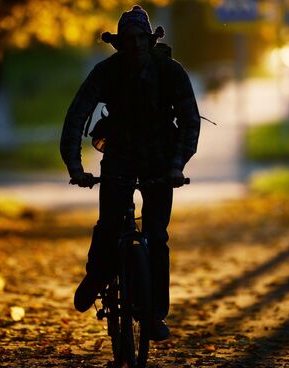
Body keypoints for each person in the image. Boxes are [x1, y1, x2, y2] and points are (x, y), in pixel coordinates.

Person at [60, 5, 200, 341]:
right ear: (119, 43)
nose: (135, 44)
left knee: (156, 236)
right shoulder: (105, 72)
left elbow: (190, 121)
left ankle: (153, 316)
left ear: (150, 40)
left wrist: (177, 165)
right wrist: (75, 167)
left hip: (160, 161)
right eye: (128, 39)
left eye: (141, 37)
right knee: (109, 225)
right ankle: (97, 276)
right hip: (119, 156)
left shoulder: (170, 72)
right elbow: (77, 115)